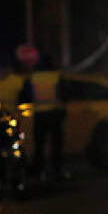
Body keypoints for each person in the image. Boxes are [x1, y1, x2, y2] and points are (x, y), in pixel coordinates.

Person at [19, 50, 68, 182]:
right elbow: (63, 94)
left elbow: (28, 95)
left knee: (39, 144)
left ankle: (37, 170)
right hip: (54, 113)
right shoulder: (56, 76)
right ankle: (56, 169)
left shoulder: (34, 77)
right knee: (56, 144)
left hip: (39, 114)